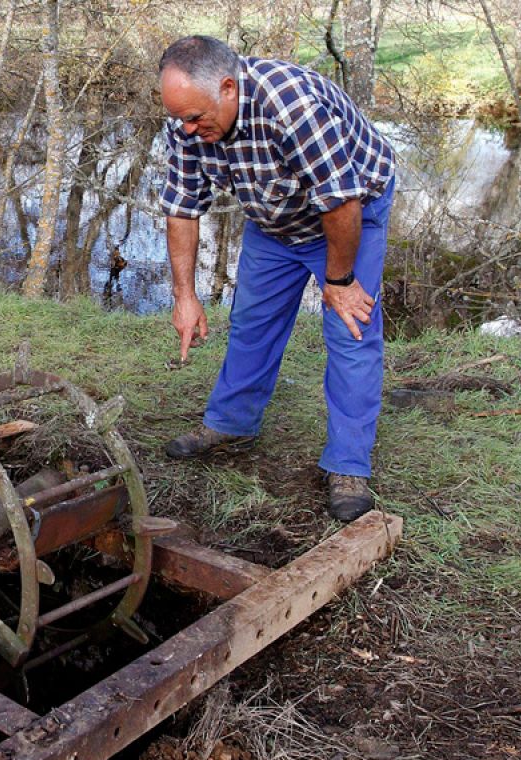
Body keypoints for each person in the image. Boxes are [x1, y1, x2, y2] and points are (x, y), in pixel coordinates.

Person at [156, 35, 396, 522]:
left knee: (350, 330)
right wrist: (185, 295)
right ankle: (231, 424)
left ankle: (348, 465)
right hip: (275, 216)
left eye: (196, 117)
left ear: (228, 88)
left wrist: (340, 281)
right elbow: (181, 207)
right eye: (181, 119)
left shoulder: (292, 107)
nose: (188, 128)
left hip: (351, 212)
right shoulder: (187, 121)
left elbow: (340, 202)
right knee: (252, 321)